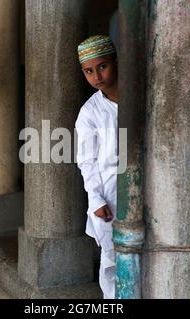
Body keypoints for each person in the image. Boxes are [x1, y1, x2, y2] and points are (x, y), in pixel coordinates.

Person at [75, 35, 118, 299]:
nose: (97, 76)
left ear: (116, 62)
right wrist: (96, 198)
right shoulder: (89, 112)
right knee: (112, 262)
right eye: (89, 71)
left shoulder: (141, 99)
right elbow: (86, 161)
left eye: (102, 66)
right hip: (108, 198)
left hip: (147, 192)